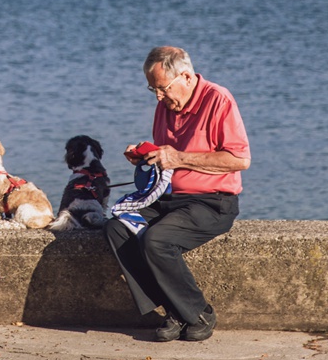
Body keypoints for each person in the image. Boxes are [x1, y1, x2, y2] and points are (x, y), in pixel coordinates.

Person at [105, 45, 250, 342]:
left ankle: (198, 313)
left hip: (213, 202)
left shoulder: (218, 99)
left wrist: (179, 158)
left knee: (156, 239)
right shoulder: (167, 104)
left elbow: (239, 160)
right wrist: (148, 156)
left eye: (162, 88)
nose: (158, 97)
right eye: (152, 89)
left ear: (185, 76)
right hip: (170, 198)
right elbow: (168, 157)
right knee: (117, 227)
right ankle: (174, 310)